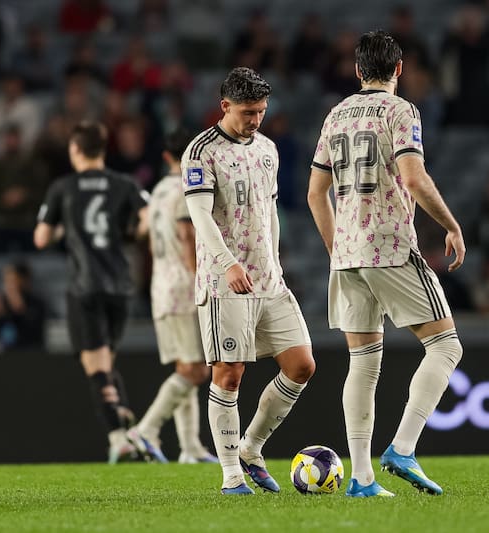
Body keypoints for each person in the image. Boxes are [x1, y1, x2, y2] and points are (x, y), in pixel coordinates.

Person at [307, 30, 465, 498]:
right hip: (390, 245)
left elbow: (316, 194)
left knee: (363, 361)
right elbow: (413, 178)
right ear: (399, 69)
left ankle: (361, 478)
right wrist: (452, 225)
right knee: (445, 346)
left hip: (347, 254)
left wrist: (338, 247)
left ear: (357, 71)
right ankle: (403, 448)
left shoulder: (335, 115)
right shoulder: (401, 111)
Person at [181, 67, 315, 495]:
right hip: (225, 282)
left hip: (268, 279)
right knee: (230, 373)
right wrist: (228, 264)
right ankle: (231, 477)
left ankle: (251, 448)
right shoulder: (201, 152)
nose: (255, 120)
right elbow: (200, 216)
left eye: (261, 111)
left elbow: (269, 211)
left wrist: (273, 260)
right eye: (247, 112)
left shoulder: (269, 150)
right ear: (224, 107)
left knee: (301, 365)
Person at [34, 120, 149, 464]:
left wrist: (65, 230)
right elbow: (148, 218)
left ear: (75, 150)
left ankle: (119, 437)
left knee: (95, 367)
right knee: (104, 362)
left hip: (85, 287)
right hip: (121, 287)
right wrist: (131, 234)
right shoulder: (124, 184)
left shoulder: (63, 188)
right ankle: (125, 420)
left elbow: (40, 238)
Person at [125, 130, 217, 465]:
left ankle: (190, 448)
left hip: (161, 286)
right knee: (196, 371)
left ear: (166, 157)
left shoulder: (158, 191)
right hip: (183, 287)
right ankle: (145, 430)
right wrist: (198, 278)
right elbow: (185, 234)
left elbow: (143, 236)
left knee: (185, 365)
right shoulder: (186, 187)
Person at [0, 261, 46, 351]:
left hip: (32, 355)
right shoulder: (3, 303)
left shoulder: (36, 302)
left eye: (13, 280)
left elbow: (33, 333)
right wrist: (0, 314)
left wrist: (19, 307)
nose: (8, 285)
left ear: (24, 280)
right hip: (7, 355)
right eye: (6, 280)